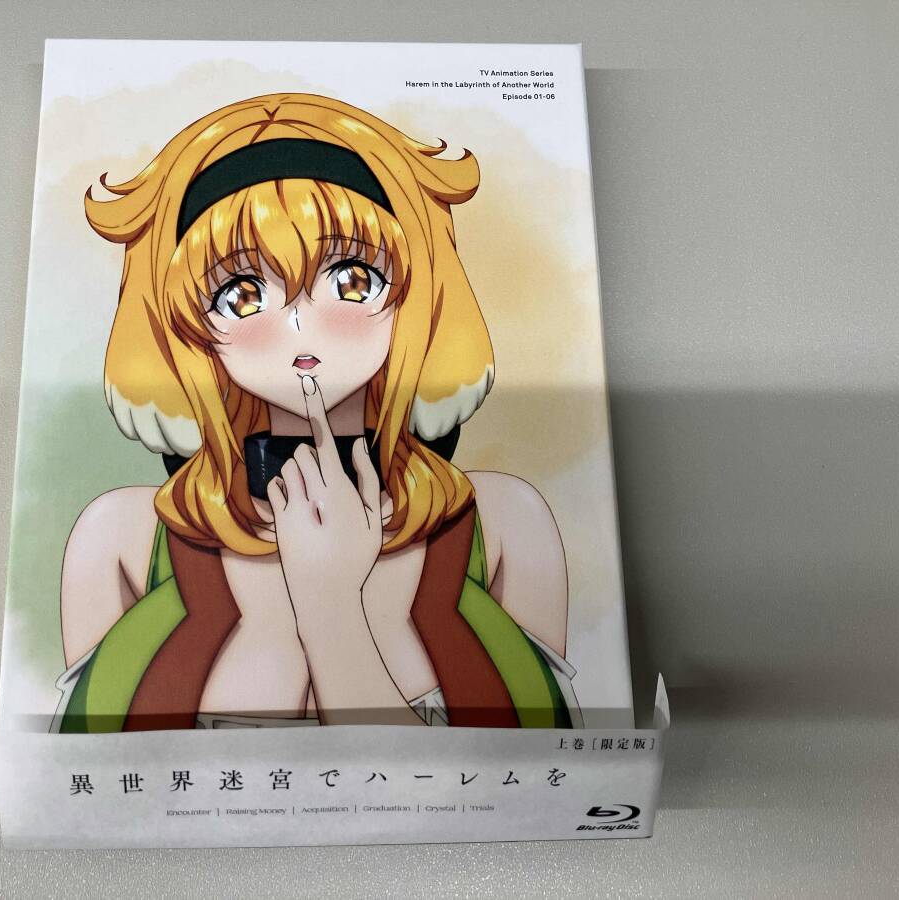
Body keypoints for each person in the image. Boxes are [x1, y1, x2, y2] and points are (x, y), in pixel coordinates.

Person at [50, 92, 582, 732]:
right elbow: (81, 780)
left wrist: (330, 611)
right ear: (184, 324)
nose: (300, 326)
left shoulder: (503, 525)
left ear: (416, 291)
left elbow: (538, 777)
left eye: (353, 279)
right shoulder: (120, 541)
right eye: (242, 294)